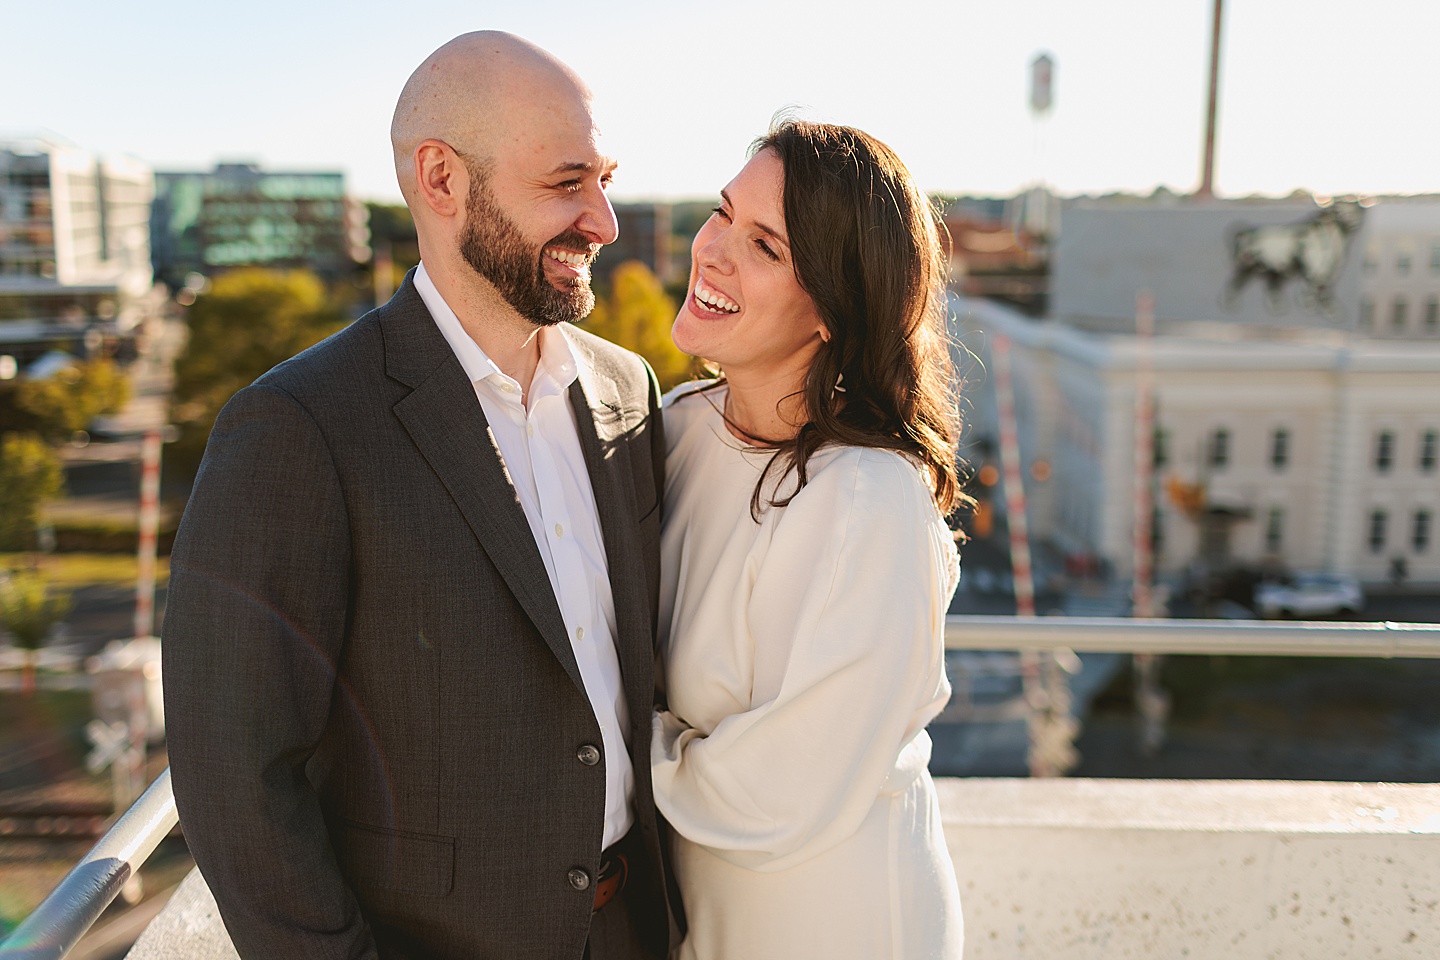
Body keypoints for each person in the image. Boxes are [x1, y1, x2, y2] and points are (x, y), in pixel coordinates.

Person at [162, 32, 673, 960]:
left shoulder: (627, 390)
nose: (603, 221)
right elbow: (233, 775)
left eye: (603, 179)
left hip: (639, 931)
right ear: (440, 179)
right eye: (566, 183)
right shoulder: (296, 427)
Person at [651, 120, 967, 960]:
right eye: (722, 214)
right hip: (705, 916)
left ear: (832, 307)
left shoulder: (868, 498)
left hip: (839, 924)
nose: (711, 251)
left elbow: (785, 792)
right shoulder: (676, 433)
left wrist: (599, 752)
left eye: (763, 246)